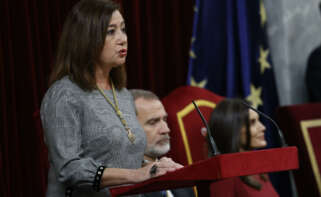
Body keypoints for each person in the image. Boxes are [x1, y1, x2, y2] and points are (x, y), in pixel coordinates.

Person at [40, 1, 181, 196]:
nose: (122, 39)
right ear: (86, 38)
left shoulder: (122, 94)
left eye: (123, 30)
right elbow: (69, 168)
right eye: (111, 31)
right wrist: (136, 174)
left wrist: (156, 166)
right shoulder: (64, 94)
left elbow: (123, 157)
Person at [205, 98, 279, 197]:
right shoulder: (225, 180)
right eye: (252, 122)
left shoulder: (257, 170)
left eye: (258, 121)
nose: (263, 127)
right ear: (233, 130)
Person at [131, 89, 195, 197]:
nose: (166, 129)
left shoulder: (180, 179)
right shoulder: (119, 184)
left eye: (164, 120)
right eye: (153, 122)